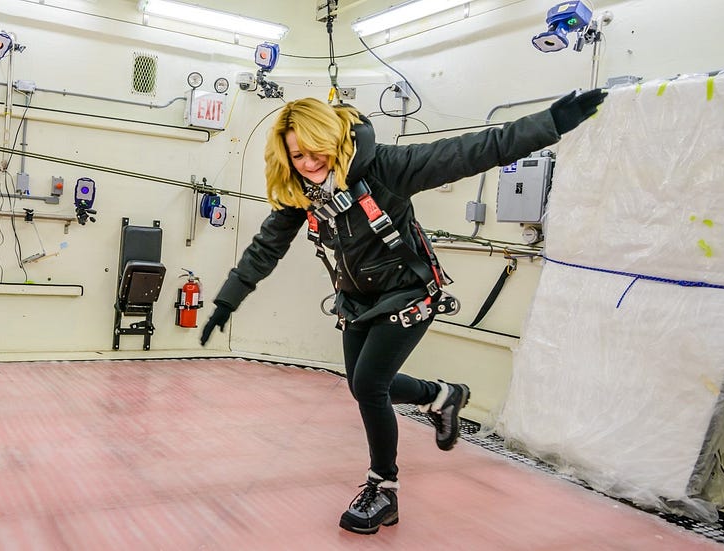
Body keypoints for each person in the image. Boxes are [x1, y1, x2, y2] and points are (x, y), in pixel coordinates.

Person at [199, 89, 606, 535]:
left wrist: (550, 122)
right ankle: (441, 395)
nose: (308, 162)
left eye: (315, 149)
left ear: (334, 138)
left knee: (370, 384)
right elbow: (266, 247)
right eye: (296, 155)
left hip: (409, 292)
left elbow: (473, 151)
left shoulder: (386, 168)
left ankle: (383, 488)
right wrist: (228, 300)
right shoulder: (304, 192)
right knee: (361, 385)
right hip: (358, 299)